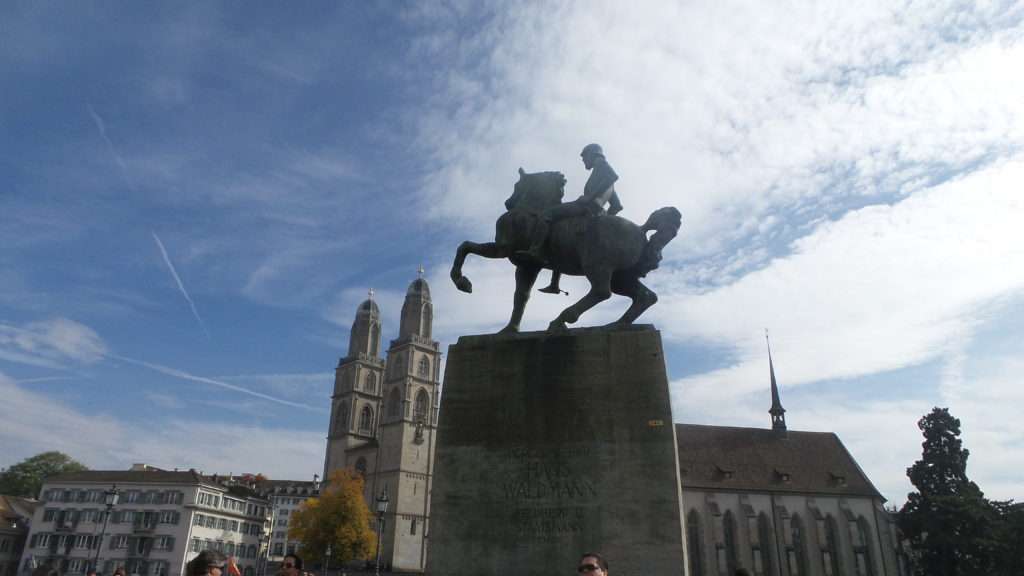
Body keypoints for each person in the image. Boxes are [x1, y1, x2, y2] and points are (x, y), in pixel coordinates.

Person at [518, 144, 624, 294]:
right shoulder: (605, 180)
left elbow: (613, 176)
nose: (584, 161)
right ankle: (554, 284)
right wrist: (603, 218)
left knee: (547, 215)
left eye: (584, 158)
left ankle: (535, 251)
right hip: (595, 210)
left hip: (586, 206)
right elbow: (617, 206)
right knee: (559, 228)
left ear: (592, 154)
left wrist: (589, 198)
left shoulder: (602, 165)